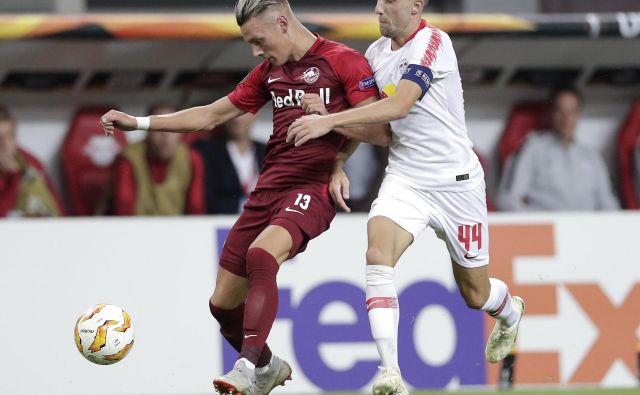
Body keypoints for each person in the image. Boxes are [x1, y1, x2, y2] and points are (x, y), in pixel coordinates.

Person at [100, 1, 389, 394]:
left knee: (262, 254)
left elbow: (381, 131)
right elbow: (210, 116)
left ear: (283, 23)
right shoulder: (269, 73)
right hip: (267, 190)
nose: (255, 50)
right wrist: (139, 123)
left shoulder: (343, 61)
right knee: (221, 304)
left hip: (311, 189)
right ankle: (269, 366)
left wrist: (329, 121)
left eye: (258, 39)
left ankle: (246, 368)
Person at [287, 1, 524, 394]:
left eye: (389, 1)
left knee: (475, 294)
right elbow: (368, 119)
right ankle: (390, 374)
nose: (378, 8)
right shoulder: (375, 54)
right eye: (377, 1)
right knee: (377, 256)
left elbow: (399, 105)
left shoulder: (434, 43)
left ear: (416, 6)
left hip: (456, 184)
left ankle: (509, 312)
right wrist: (339, 161)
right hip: (405, 178)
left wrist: (326, 119)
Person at [496, 86, 620, 211]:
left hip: (588, 227)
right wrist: (536, 223)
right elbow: (509, 199)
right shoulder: (532, 150)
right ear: (551, 113)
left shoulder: (592, 155)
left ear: (579, 114)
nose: (566, 118)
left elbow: (607, 202)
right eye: (561, 111)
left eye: (572, 111)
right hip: (546, 226)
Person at [111, 103, 206, 216]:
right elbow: (124, 206)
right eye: (158, 128)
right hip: (137, 229)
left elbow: (195, 207)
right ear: (146, 131)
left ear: (181, 133)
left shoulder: (191, 158)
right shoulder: (128, 158)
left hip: (178, 230)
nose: (165, 136)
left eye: (173, 129)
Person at [0, 105, 65, 218]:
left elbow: (55, 208)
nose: (5, 145)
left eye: (9, 136)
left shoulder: (29, 163)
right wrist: (14, 177)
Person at [194, 112, 266, 214]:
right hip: (220, 223)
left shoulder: (268, 151)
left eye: (243, 113)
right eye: (232, 113)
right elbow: (207, 197)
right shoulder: (207, 151)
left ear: (255, 115)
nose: (237, 120)